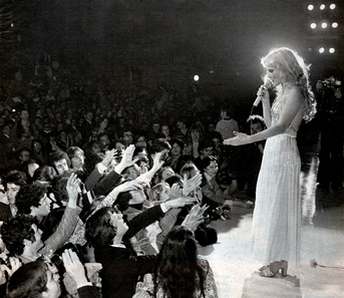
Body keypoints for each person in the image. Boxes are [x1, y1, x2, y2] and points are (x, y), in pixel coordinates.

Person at [224, 47, 316, 277]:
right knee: (271, 204)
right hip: (273, 151)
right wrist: (265, 100)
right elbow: (270, 123)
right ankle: (277, 259)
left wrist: (248, 140)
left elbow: (282, 128)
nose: (270, 74)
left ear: (285, 67)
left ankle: (278, 260)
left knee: (279, 206)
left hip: (284, 151)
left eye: (272, 69)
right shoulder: (283, 90)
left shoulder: (295, 91)